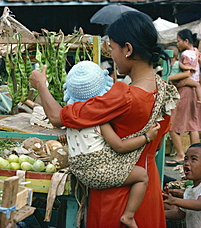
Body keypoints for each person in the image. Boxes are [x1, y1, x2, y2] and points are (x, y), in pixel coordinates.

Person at [30, 11, 179, 227]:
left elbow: (56, 117)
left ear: (128, 49)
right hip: (147, 186)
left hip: (116, 192)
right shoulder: (165, 91)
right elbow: (155, 146)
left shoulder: (123, 95)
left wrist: (41, 85)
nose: (112, 57)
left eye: (113, 49)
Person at [64, 60, 160, 228]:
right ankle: (129, 216)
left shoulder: (70, 119)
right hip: (100, 174)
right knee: (142, 176)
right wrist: (146, 137)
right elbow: (120, 146)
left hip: (82, 174)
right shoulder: (100, 120)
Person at [166, 30, 201, 167]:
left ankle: (181, 154)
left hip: (185, 88)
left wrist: (169, 78)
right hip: (195, 89)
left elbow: (186, 73)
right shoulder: (196, 52)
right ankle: (196, 156)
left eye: (179, 40)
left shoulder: (185, 54)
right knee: (193, 125)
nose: (177, 43)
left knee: (172, 124)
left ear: (186, 41)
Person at [164, 143, 201, 227]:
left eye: (193, 159)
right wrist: (159, 214)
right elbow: (180, 214)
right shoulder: (189, 191)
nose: (187, 163)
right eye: (186, 159)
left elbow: (199, 204)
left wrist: (173, 200)